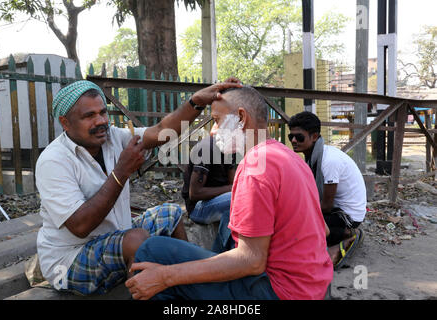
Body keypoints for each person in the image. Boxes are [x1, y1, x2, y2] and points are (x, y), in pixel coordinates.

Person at [35, 79, 242, 295]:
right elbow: (80, 226)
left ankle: (188, 280)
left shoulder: (112, 137)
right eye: (89, 116)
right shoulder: (53, 161)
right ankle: (145, 292)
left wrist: (195, 102)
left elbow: (161, 131)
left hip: (115, 236)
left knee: (169, 213)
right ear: (65, 123)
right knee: (136, 240)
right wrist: (122, 172)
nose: (100, 121)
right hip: (70, 260)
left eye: (103, 112)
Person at [125, 86, 333, 300]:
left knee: (152, 251)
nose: (213, 131)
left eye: (216, 120)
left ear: (241, 118)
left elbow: (251, 260)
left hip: (278, 292)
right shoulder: (290, 158)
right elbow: (323, 230)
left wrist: (166, 276)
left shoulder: (255, 167)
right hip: (314, 287)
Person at [288, 111, 366, 269]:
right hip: (335, 210)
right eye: (291, 137)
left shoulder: (328, 160)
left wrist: (296, 213)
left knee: (297, 230)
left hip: (346, 216)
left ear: (314, 136)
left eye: (299, 137)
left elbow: (326, 206)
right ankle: (336, 235)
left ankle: (346, 235)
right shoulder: (313, 157)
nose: (294, 141)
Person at [181, 125, 237, 253]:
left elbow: (233, 182)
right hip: (198, 208)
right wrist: (230, 188)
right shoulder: (206, 149)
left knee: (239, 200)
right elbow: (194, 194)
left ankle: (229, 252)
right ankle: (221, 252)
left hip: (215, 202)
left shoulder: (229, 149)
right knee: (239, 197)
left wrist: (233, 187)